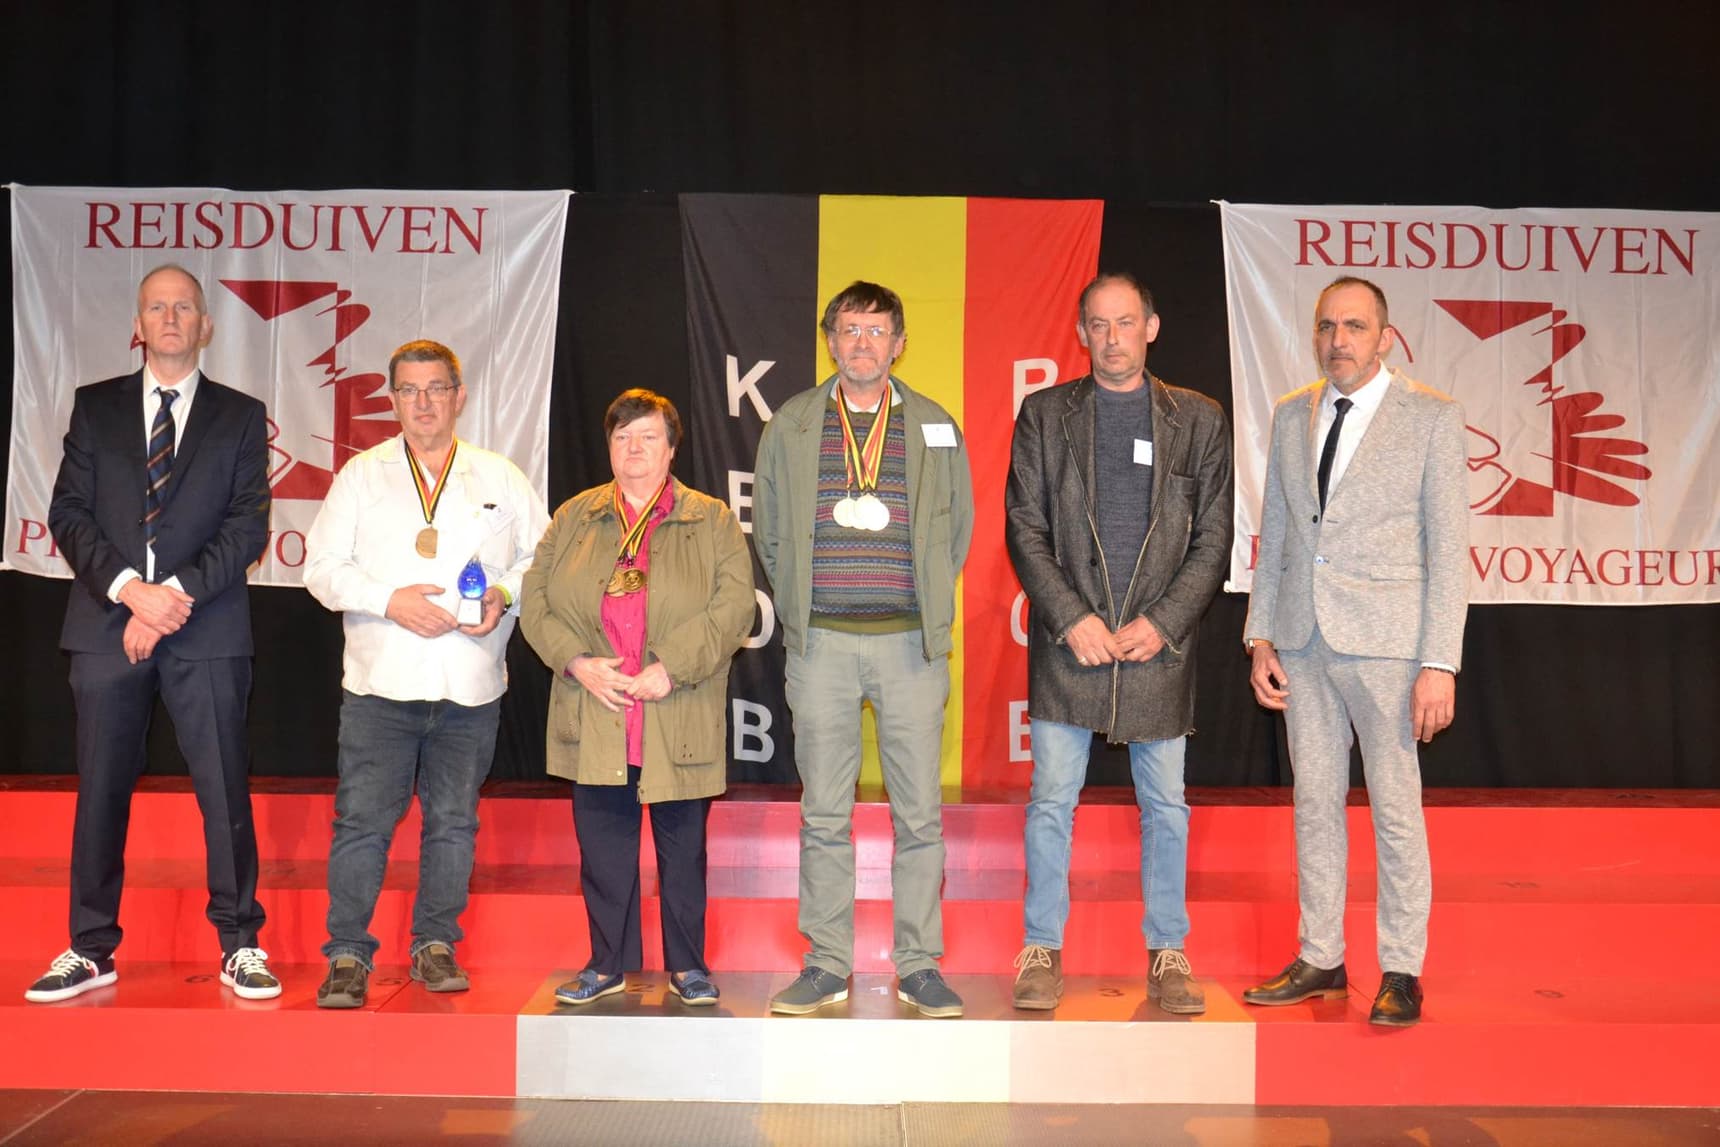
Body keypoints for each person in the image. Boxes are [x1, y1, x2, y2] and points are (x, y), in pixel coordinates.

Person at [30, 264, 277, 1003]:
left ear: (206, 325)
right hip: (107, 624)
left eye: (184, 308)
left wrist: (170, 597)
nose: (171, 318)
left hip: (207, 627)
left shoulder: (240, 415)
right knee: (100, 790)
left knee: (223, 789)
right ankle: (90, 948)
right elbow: (69, 513)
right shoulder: (95, 407)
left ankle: (240, 942)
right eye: (157, 308)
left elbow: (247, 526)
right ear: (138, 325)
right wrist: (130, 593)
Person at [1242, 276, 1469, 1028]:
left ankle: (1401, 968)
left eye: (1354, 326)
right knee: (1314, 803)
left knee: (1395, 808)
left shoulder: (1431, 417)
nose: (1337, 340)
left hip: (1391, 648)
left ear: (1385, 338)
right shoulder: (1291, 413)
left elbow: (1450, 551)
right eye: (1326, 326)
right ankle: (1322, 956)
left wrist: (1439, 662)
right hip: (1302, 640)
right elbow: (1278, 533)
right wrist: (1259, 635)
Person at [1004, 273, 1233, 1013]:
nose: (1112, 338)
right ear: (1081, 333)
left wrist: (1163, 622)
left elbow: (1213, 540)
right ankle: (1040, 947)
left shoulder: (1198, 419)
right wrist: (1071, 616)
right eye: (1098, 325)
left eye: (1125, 322)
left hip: (1156, 647)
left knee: (1166, 806)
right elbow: (1025, 528)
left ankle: (1169, 951)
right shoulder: (1045, 415)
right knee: (1050, 802)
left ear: (1152, 327)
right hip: (1071, 644)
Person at [302, 339, 549, 1008]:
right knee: (361, 824)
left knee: (453, 823)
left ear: (459, 396)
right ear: (392, 400)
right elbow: (320, 568)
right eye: (409, 390)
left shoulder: (499, 475)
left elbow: (544, 557)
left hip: (470, 684)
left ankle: (435, 944)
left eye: (436, 388)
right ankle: (347, 953)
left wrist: (504, 594)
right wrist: (390, 601)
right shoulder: (362, 476)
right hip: (380, 685)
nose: (423, 403)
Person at [752, 281, 974, 1018]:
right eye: (849, 330)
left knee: (919, 816)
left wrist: (925, 603)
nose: (862, 343)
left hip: (911, 646)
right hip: (822, 646)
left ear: (899, 344)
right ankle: (826, 963)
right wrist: (800, 605)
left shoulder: (935, 425)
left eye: (877, 331)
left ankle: (919, 964)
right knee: (823, 812)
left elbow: (958, 530)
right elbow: (771, 531)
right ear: (830, 342)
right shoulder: (790, 424)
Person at [521, 390, 753, 1007]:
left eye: (648, 437)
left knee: (683, 854)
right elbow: (535, 602)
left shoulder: (712, 520)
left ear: (672, 449)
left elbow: (734, 608)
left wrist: (672, 668)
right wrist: (576, 662)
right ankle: (607, 964)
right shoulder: (574, 516)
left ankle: (689, 967)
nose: (634, 449)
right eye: (622, 437)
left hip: (676, 709)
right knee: (603, 854)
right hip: (596, 709)